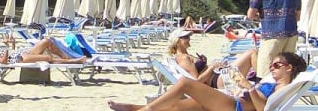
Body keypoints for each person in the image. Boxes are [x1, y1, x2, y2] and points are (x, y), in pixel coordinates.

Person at [108, 52, 307, 111]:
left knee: (185, 83)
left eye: (277, 65)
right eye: (271, 65)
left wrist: (248, 86)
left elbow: (264, 109)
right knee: (176, 107)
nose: (272, 68)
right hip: (231, 100)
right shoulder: (273, 81)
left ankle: (146, 110)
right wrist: (239, 85)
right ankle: (135, 108)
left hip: (235, 107)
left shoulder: (283, 87)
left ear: (289, 68)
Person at [247, 0, 301, 79]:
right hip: (291, 34)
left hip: (271, 34)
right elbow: (297, 16)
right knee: (286, 73)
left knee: (265, 73)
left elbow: (251, 14)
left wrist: (261, 16)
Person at [163, 28, 257, 89]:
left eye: (189, 36)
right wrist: (212, 67)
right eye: (186, 37)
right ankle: (262, 81)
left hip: (220, 76)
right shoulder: (183, 58)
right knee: (251, 53)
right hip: (219, 80)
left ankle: (259, 85)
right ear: (178, 41)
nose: (189, 39)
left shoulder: (186, 55)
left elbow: (200, 71)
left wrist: (207, 64)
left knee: (248, 83)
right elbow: (197, 82)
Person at [0, 36, 88, 65]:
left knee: (47, 41)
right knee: (47, 58)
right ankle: (73, 61)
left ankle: (66, 57)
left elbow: (12, 52)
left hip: (23, 52)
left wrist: (13, 43)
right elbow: (4, 61)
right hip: (21, 58)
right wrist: (6, 47)